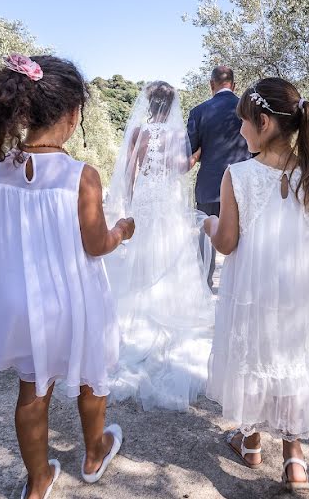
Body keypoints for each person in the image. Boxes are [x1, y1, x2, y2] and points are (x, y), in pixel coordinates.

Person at [0, 54, 133, 498]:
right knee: (89, 377)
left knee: (32, 390)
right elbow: (96, 244)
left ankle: (39, 479)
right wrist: (121, 230)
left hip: (22, 303)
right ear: (72, 114)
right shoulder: (81, 176)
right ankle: (95, 451)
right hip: (76, 299)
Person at [204, 77, 309, 495]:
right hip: (293, 295)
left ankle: (250, 441)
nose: (240, 131)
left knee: (253, 356)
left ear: (263, 122)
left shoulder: (237, 175)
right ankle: (294, 460)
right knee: (288, 359)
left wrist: (208, 224)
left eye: (243, 123)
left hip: (251, 292)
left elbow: (226, 242)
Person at [102, 81, 214, 411]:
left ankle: (138, 317)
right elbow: (178, 168)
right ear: (171, 105)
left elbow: (130, 168)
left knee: (142, 254)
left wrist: (130, 199)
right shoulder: (176, 134)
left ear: (149, 103)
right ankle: (166, 312)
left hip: (145, 200)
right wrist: (195, 156)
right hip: (165, 199)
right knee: (169, 252)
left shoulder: (138, 130)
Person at [186, 66, 251, 286]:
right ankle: (240, 286)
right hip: (243, 185)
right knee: (244, 240)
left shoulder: (198, 111)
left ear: (211, 84)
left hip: (209, 185)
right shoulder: (248, 110)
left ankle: (204, 287)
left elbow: (190, 150)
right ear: (234, 85)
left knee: (205, 241)